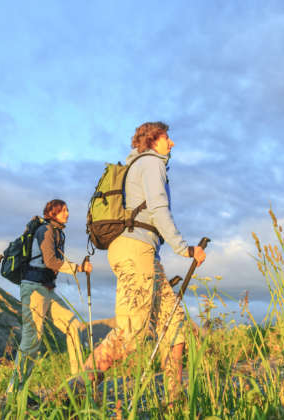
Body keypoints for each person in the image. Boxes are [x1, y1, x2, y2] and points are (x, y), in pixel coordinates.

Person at [81, 122, 206, 399]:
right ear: (153, 140)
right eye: (167, 138)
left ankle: (175, 398)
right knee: (131, 334)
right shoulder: (151, 163)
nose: (171, 144)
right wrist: (185, 249)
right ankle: (72, 392)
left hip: (143, 252)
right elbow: (159, 210)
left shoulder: (139, 166)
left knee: (174, 322)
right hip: (135, 250)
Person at [8, 199, 93, 395]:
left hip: (46, 289)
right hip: (34, 289)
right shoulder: (45, 231)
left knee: (72, 325)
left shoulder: (57, 232)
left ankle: (79, 382)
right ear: (52, 213)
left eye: (67, 210)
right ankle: (14, 392)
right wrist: (79, 268)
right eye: (63, 210)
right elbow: (50, 261)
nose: (67, 213)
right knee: (32, 340)